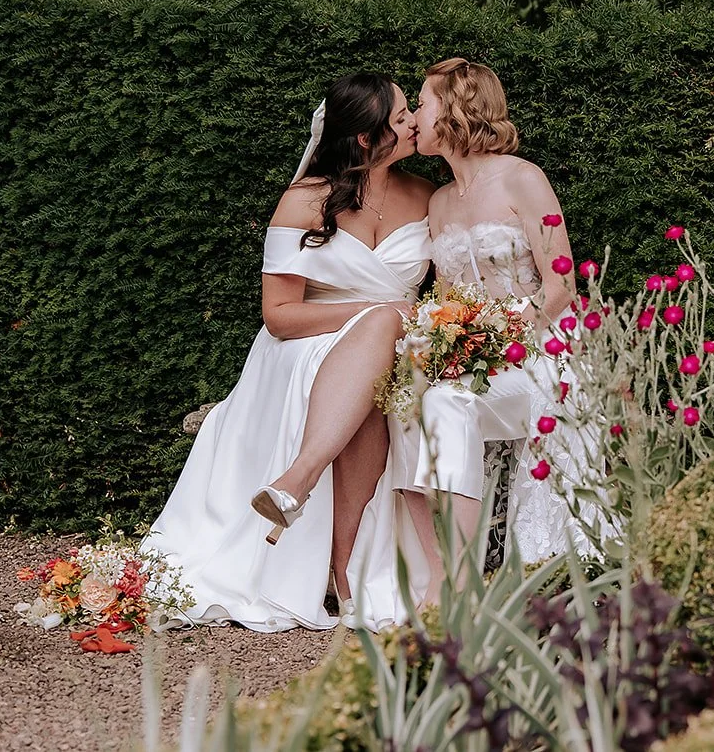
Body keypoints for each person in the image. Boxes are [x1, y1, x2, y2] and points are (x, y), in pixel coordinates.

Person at [139, 72, 433, 631]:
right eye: (400, 117)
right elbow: (278, 315)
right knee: (376, 358)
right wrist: (374, 314)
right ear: (366, 138)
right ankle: (342, 571)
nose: (415, 121)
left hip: (396, 347)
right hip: (303, 345)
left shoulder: (426, 197)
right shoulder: (305, 200)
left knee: (379, 366)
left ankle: (299, 484)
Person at [389, 57, 600, 609]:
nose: (416, 115)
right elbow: (451, 298)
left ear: (455, 108)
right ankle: (448, 573)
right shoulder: (438, 201)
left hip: (543, 350)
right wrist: (443, 341)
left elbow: (563, 282)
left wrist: (502, 336)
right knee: (412, 401)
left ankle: (476, 577)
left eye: (424, 102)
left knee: (448, 400)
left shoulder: (521, 177)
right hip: (479, 356)